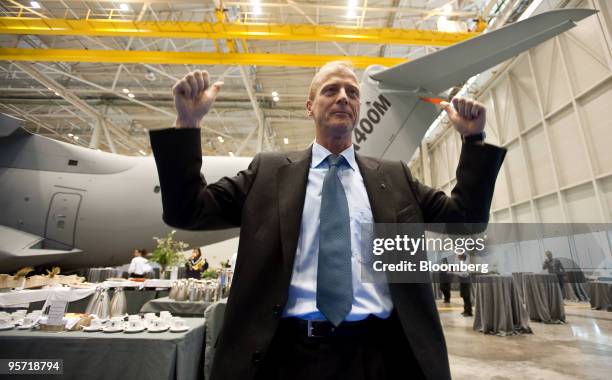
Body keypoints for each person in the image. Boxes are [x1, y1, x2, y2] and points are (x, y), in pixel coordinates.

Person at [149, 61, 506, 380]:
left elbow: (465, 220)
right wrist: (187, 125)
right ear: (310, 106)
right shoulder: (268, 172)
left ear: (359, 108)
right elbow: (188, 211)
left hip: (379, 354)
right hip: (286, 355)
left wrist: (473, 139)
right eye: (330, 90)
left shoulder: (394, 177)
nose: (342, 97)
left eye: (352, 92)